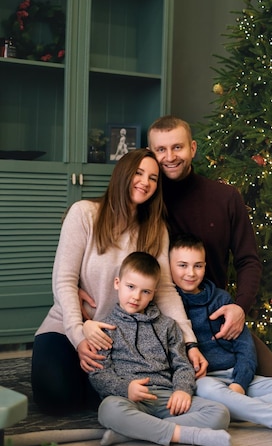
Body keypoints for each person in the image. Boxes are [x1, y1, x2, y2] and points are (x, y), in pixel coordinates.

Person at [31, 148, 205, 415]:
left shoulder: (155, 228)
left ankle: (113, 390)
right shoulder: (85, 214)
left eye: (153, 178)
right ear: (123, 173)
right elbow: (64, 281)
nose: (145, 182)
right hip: (71, 326)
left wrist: (189, 343)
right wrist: (80, 334)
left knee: (95, 395)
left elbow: (166, 291)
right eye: (138, 173)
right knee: (56, 399)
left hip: (122, 336)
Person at [147, 115, 272, 377]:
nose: (170, 157)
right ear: (151, 153)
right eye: (160, 149)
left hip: (213, 316)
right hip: (161, 317)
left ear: (193, 148)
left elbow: (248, 260)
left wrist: (239, 308)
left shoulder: (225, 198)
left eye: (177, 147)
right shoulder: (145, 198)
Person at [169, 234, 272, 439]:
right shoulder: (171, 307)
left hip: (237, 377)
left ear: (205, 266)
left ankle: (235, 410)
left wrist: (239, 383)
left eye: (198, 266)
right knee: (209, 392)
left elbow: (245, 346)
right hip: (206, 381)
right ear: (168, 266)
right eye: (182, 265)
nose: (190, 273)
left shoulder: (221, 299)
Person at [89, 251, 231, 446]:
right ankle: (184, 434)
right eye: (131, 287)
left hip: (167, 398)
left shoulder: (167, 326)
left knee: (219, 412)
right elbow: (99, 373)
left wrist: (182, 389)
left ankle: (132, 432)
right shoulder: (105, 329)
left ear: (154, 293)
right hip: (129, 399)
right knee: (108, 410)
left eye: (145, 291)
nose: (136, 296)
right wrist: (125, 389)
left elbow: (182, 364)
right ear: (117, 283)